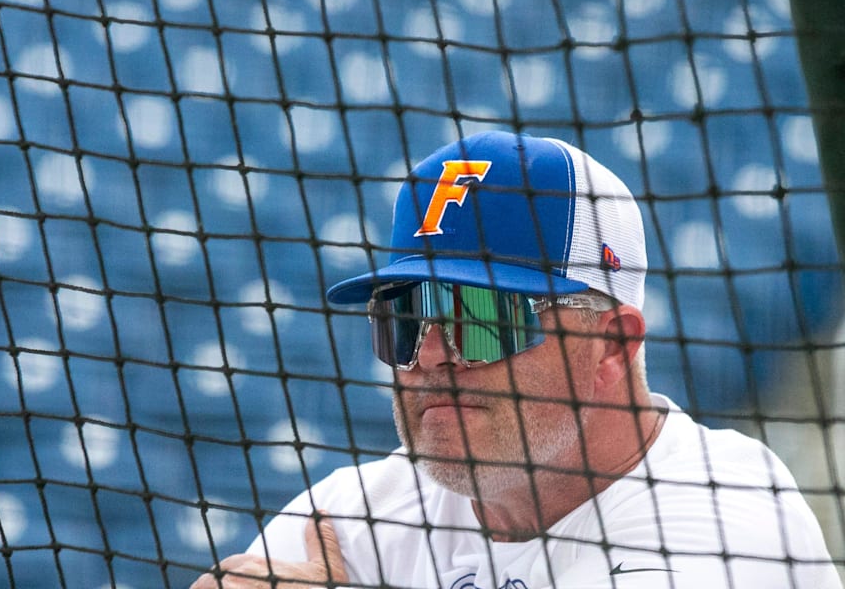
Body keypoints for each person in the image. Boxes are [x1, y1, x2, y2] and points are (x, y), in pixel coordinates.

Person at [190, 131, 841, 588]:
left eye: (484, 319)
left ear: (612, 344)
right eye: (407, 319)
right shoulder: (352, 517)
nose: (435, 356)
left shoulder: (726, 523)